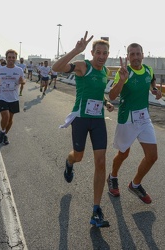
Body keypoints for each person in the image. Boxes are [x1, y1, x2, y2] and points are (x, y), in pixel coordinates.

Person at [51, 31, 114, 228]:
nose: (102, 56)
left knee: (101, 162)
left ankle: (96, 210)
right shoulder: (83, 66)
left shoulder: (104, 72)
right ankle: (69, 163)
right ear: (92, 53)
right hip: (80, 119)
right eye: (99, 53)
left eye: (105, 53)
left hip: (97, 120)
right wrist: (76, 51)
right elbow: (56, 68)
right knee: (78, 156)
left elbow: (96, 92)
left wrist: (105, 103)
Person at [108, 43, 162, 204]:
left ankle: (135, 184)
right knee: (123, 153)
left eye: (138, 54)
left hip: (144, 117)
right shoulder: (123, 72)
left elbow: (151, 81)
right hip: (127, 118)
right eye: (132, 54)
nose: (136, 57)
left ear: (143, 55)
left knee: (152, 156)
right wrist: (122, 80)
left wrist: (155, 90)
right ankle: (112, 177)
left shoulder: (148, 69)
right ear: (128, 57)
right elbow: (112, 96)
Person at [0, 49, 25, 145]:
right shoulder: (0, 69)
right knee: (5, 116)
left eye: (13, 57)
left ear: (16, 59)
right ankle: (3, 131)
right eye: (9, 57)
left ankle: (4, 134)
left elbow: (23, 81)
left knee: (10, 120)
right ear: (6, 58)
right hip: (2, 96)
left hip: (14, 98)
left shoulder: (19, 70)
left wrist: (22, 82)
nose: (11, 59)